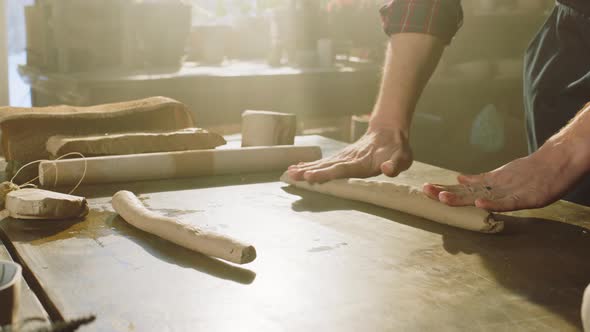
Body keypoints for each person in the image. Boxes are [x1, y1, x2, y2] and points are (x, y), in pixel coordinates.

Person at [286, 0, 590, 212]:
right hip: (570, 43)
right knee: (569, 225)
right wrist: (386, 125)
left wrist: (566, 151)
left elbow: (561, 160)